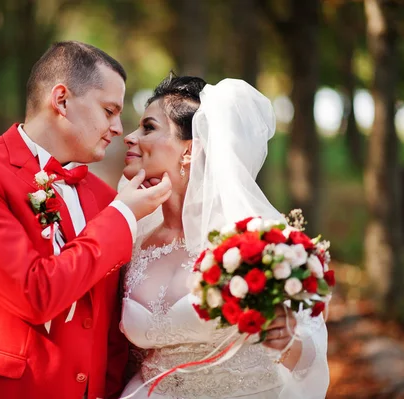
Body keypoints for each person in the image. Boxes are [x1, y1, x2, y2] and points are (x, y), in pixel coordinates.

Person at [0, 41, 172, 399]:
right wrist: (124, 215)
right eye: (109, 110)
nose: (119, 128)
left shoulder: (106, 199)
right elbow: (33, 293)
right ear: (61, 100)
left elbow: (108, 326)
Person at [119, 75, 329, 399]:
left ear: (189, 150)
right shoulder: (130, 239)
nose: (129, 137)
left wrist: (287, 340)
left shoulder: (255, 243)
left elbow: (310, 359)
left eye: (148, 127)